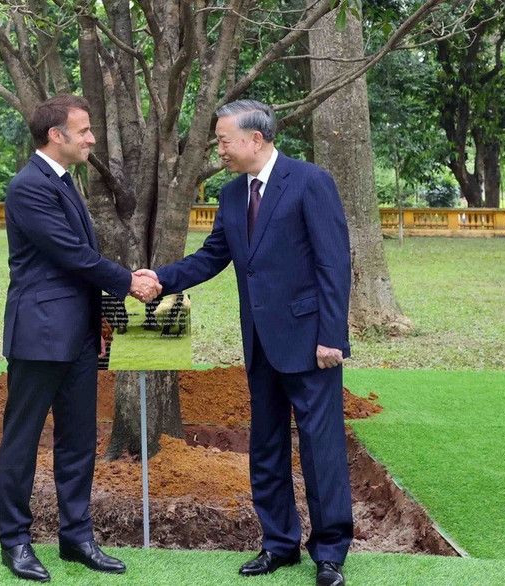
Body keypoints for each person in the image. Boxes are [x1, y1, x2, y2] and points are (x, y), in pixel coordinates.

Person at [137, 99, 353, 586]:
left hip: (311, 342)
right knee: (267, 446)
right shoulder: (233, 195)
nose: (219, 149)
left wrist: (331, 336)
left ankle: (331, 552)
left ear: (256, 138)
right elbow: (213, 256)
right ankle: (278, 545)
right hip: (260, 343)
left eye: (223, 140)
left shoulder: (311, 181)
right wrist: (161, 280)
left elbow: (334, 265)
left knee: (321, 449)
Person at [0, 94, 160, 582]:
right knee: (22, 441)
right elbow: (71, 254)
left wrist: (104, 318)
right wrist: (128, 281)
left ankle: (77, 539)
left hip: (80, 337)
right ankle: (15, 543)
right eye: (84, 130)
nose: (92, 138)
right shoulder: (29, 187)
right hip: (40, 335)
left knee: (79, 441)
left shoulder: (65, 182)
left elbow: (78, 259)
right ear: (56, 135)